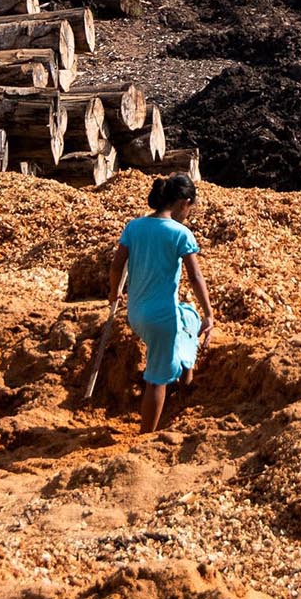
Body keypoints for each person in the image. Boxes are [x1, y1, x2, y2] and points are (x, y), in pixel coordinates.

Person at [108, 175, 215, 433]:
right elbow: (195, 277)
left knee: (189, 317)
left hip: (136, 313)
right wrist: (210, 314)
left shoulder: (134, 227)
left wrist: (114, 293)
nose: (188, 214)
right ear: (184, 203)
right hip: (161, 319)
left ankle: (184, 385)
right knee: (156, 380)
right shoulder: (180, 233)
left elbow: (116, 265)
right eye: (190, 208)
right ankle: (146, 436)